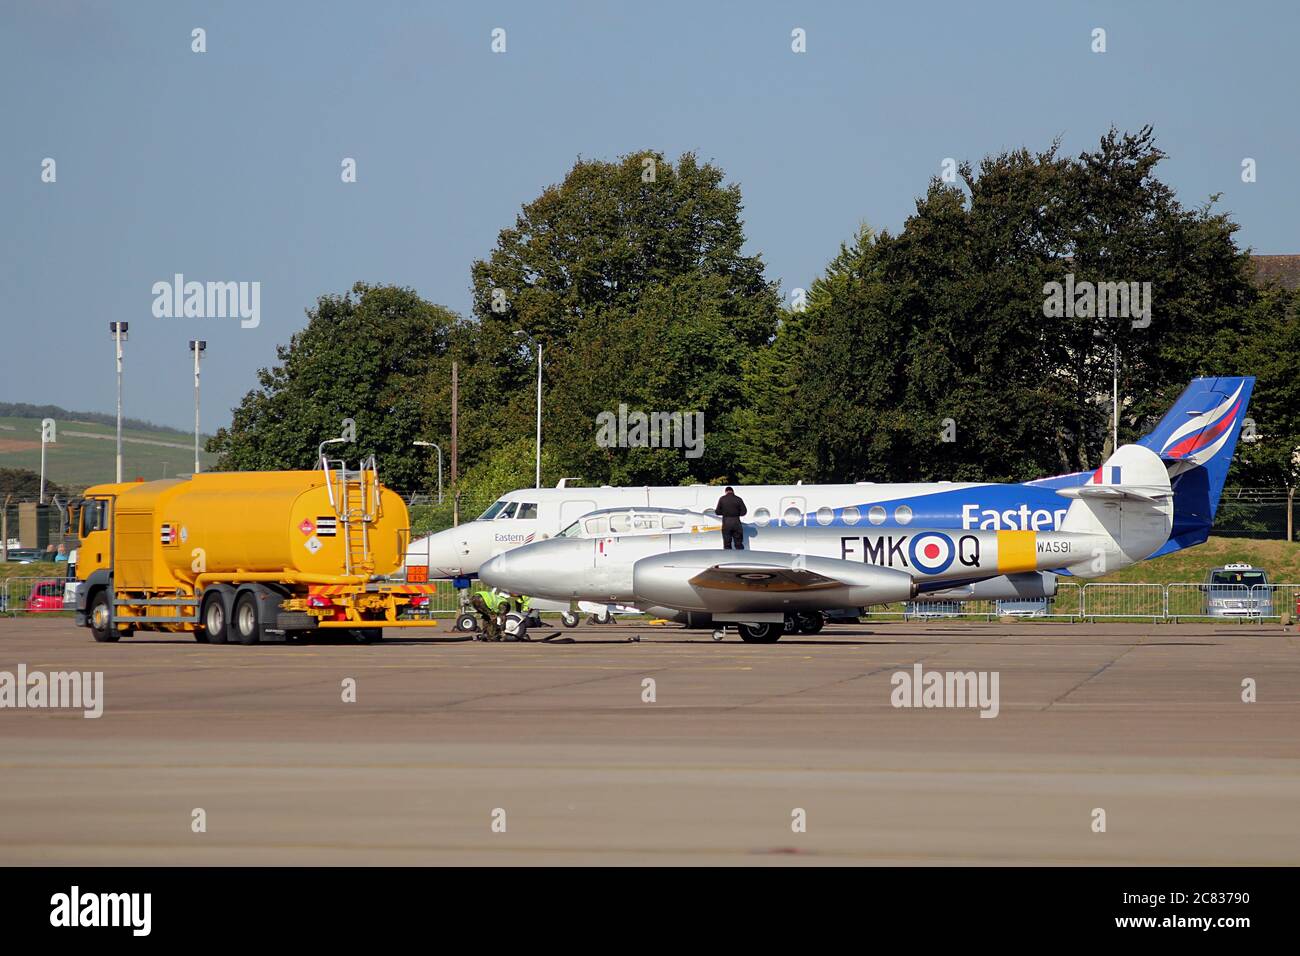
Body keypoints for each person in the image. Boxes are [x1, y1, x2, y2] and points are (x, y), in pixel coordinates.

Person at [715, 486, 747, 550]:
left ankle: (728, 558)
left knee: (727, 544)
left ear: (726, 491)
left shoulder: (722, 499)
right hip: (736, 523)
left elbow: (717, 512)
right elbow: (744, 512)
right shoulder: (738, 499)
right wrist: (737, 513)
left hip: (726, 523)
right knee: (738, 544)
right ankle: (741, 557)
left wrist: (724, 513)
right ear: (733, 491)